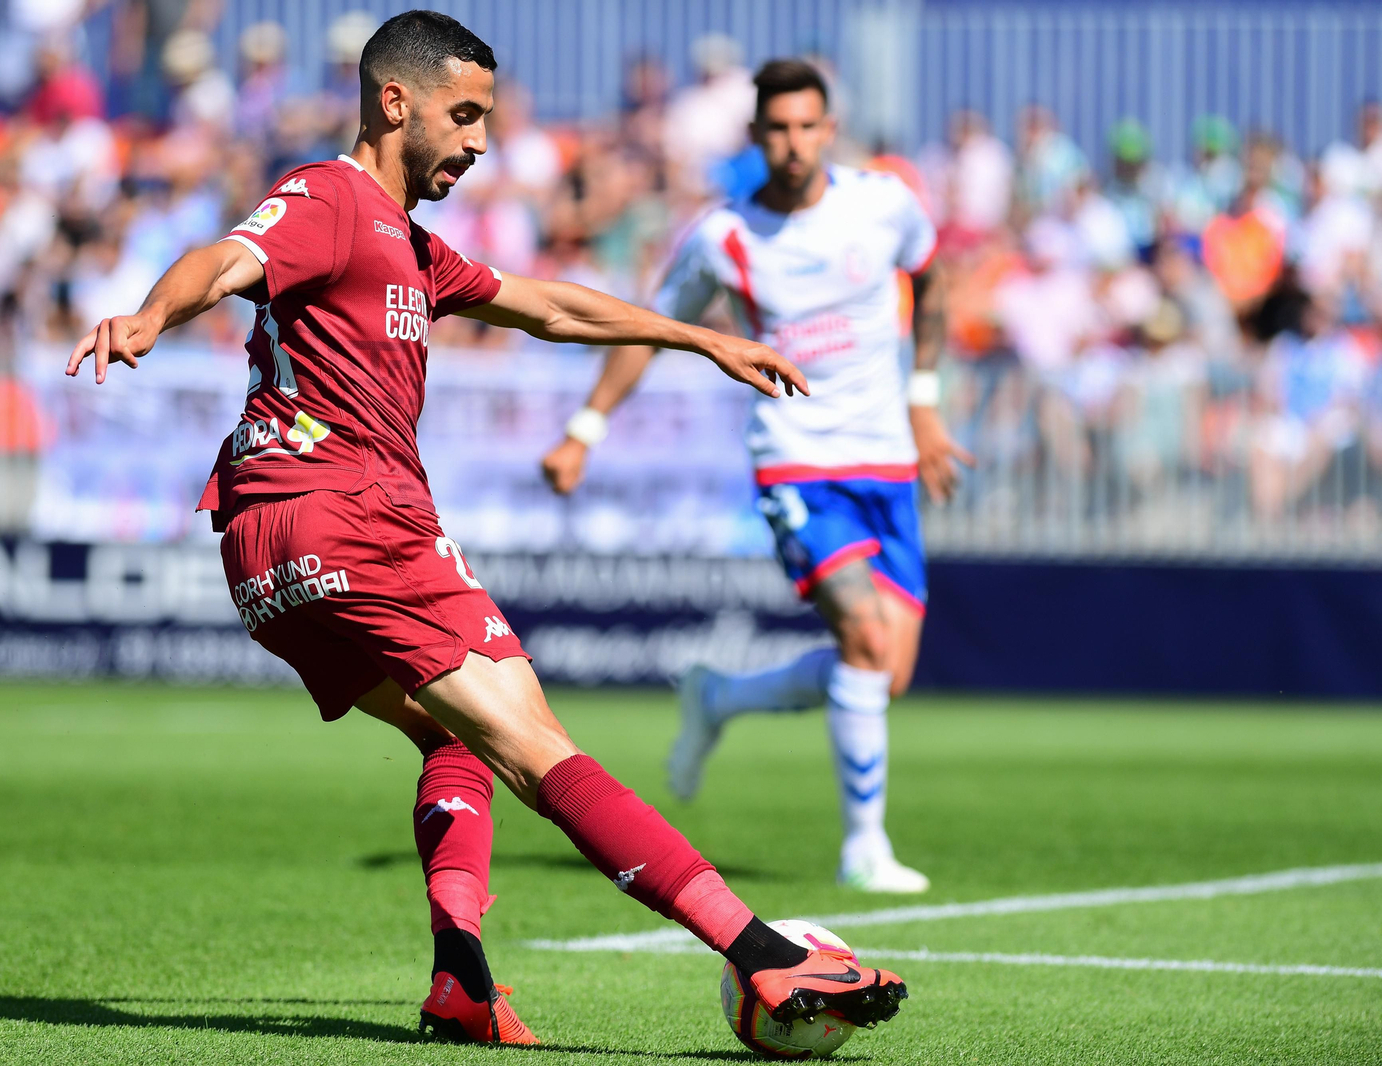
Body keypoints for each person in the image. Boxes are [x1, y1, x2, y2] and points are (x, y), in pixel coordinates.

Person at [64, 12, 908, 1047]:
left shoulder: (411, 247)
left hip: (268, 545)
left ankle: (460, 976)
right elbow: (226, 258)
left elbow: (550, 307)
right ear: (394, 102)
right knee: (534, 745)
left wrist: (697, 337)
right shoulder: (331, 197)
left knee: (451, 737)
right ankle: (762, 954)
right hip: (347, 511)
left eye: (485, 120)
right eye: (462, 116)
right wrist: (153, 315)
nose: (476, 142)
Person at [541, 60, 969, 894]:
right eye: (778, 129)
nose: (794, 143)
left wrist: (925, 403)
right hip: (797, 458)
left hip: (887, 459)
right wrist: (584, 430)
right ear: (756, 136)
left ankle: (722, 699)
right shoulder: (724, 235)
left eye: (808, 126)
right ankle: (864, 849)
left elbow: (935, 284)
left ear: (829, 128)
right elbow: (650, 330)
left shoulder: (884, 204)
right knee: (864, 641)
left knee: (884, 674)